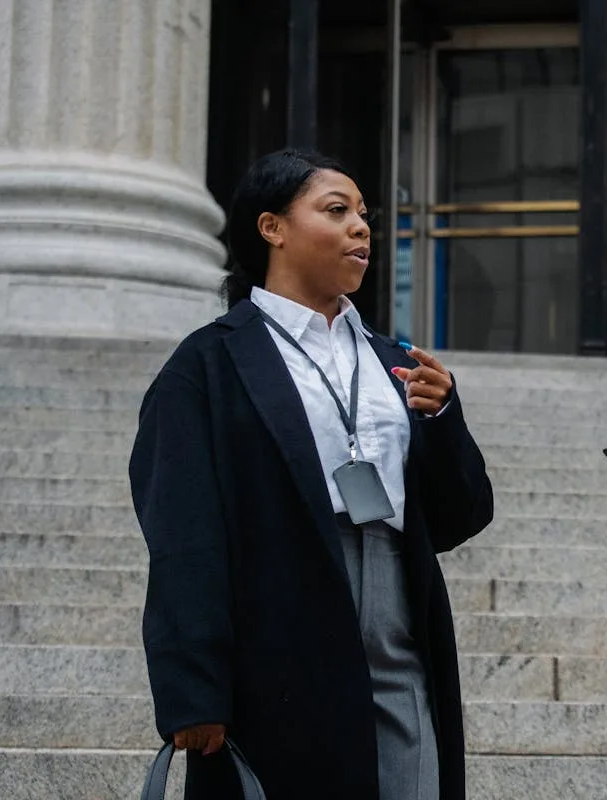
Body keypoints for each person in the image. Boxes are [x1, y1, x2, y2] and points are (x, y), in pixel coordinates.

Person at [129, 149, 494, 800]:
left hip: (400, 632)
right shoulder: (208, 366)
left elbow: (459, 516)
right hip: (278, 632)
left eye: (364, 214)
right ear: (273, 228)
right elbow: (183, 535)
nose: (362, 227)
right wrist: (192, 688)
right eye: (336, 211)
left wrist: (442, 419)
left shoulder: (396, 363)